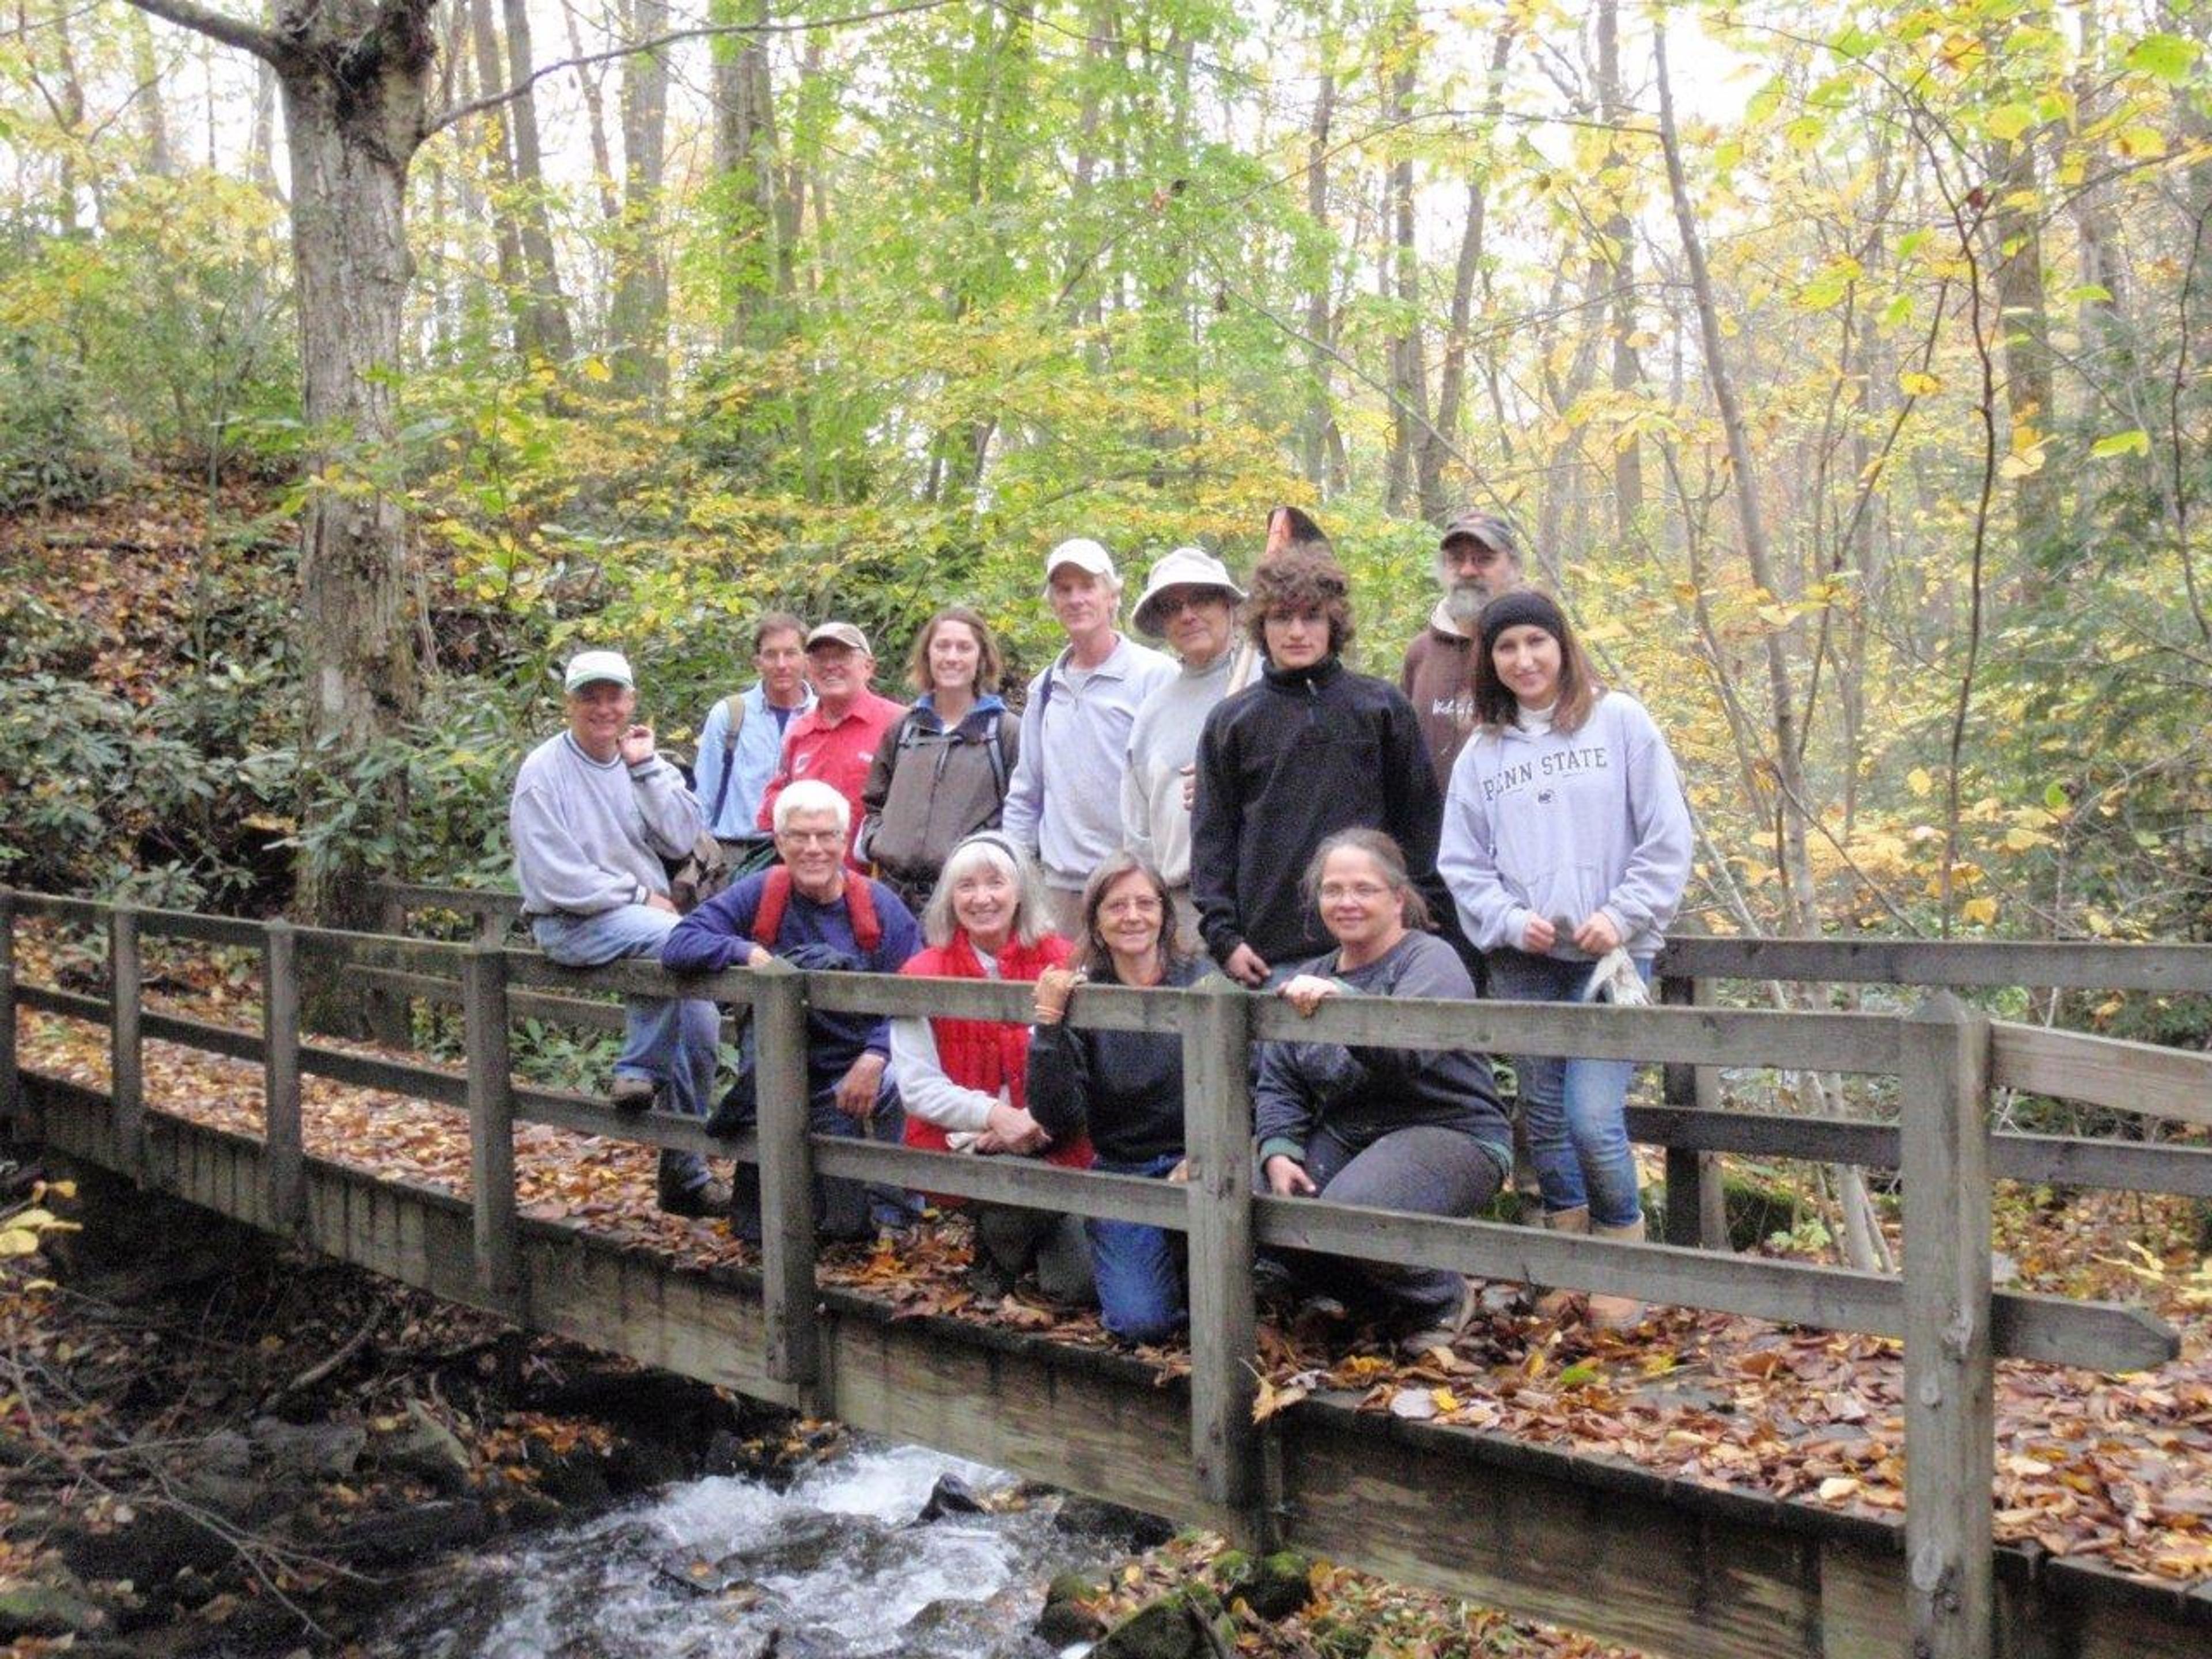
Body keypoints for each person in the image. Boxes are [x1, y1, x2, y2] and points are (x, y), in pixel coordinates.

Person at [1437, 590, 1692, 1329]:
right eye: (1506, 648)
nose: (1523, 660)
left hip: (1611, 958)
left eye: (1535, 643)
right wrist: (1511, 922)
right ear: (1490, 661)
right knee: (1543, 1118)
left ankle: (1620, 1257)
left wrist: (1622, 914)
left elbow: (1667, 836)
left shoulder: (1620, 723)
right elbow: (1461, 864)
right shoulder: (1484, 754)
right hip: (1527, 960)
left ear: (1562, 646)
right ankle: (1564, 1262)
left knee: (1591, 1115)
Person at [1252, 830, 1513, 1351]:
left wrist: (1342, 1002)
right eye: (1333, 890)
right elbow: (1280, 1078)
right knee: (1259, 1202)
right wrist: (1278, 1149)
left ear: (1398, 899)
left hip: (1449, 1130)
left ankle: (1441, 1295)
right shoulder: (1310, 974)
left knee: (1356, 1212)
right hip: (1352, 1135)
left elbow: (1406, 1051)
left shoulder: (1430, 960)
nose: (1346, 902)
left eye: (1364, 889)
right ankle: (1375, 1306)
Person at [510, 649, 726, 1218]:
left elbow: (684, 836)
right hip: (571, 923)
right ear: (570, 704)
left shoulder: (641, 765)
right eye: (590, 697)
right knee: (679, 941)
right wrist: (638, 897)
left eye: (614, 696)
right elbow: (555, 875)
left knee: (702, 1020)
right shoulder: (543, 773)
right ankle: (638, 1070)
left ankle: (684, 1175)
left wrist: (648, 768)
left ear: (631, 702)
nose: (603, 708)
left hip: (643, 924)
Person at [662, 779, 924, 1242]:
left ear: (845, 842)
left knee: (900, 1084)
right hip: (779, 1055)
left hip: (858, 1056)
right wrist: (745, 952)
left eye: (826, 836)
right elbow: (681, 942)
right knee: (771, 1225)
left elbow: (915, 991)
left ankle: (895, 1214)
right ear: (779, 842)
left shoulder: (878, 906)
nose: (813, 849)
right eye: (799, 837)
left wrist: (876, 1055)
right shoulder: (762, 892)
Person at [1190, 547, 1456, 987]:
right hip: (1269, 956)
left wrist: (1418, 911)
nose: (1297, 631)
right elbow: (1212, 839)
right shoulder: (1232, 722)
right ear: (1262, 626)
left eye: (1311, 617)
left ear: (1333, 623)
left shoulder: (1381, 708)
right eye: (1281, 617)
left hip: (1377, 949)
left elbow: (1421, 823)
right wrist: (1224, 937)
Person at [888, 833, 1094, 1304]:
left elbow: (1089, 1065)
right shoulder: (920, 972)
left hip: (1056, 1137)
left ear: (1020, 890)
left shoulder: (1066, 961)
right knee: (1011, 1191)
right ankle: (999, 1257)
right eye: (966, 886)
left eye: (995, 883)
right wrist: (995, 1117)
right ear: (949, 898)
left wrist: (1037, 1123)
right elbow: (917, 1088)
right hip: (964, 1142)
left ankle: (1023, 1249)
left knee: (1075, 1286)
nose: (982, 898)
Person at [1028, 853, 1204, 1345]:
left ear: (1166, 915)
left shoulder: (1203, 981)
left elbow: (1251, 1080)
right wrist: (1049, 1026)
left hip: (1204, 1162)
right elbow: (1055, 1114)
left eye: (1145, 903)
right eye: (1116, 906)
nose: (1132, 916)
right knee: (1140, 1324)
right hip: (1124, 1169)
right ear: (1097, 923)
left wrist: (1211, 1151)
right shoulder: (1083, 994)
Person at [1000, 539, 1175, 937]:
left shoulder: (1155, 677)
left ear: (1113, 596)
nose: (1076, 599)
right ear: (1053, 602)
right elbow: (1026, 791)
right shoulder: (1044, 689)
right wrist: (1016, 872)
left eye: (1088, 586)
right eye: (1064, 589)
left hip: (1135, 886)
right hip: (1060, 891)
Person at [1121, 548, 1255, 940]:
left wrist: (1230, 786)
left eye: (1201, 598)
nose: (1188, 614)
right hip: (1182, 911)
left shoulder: (1273, 684)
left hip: (1262, 901)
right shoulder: (1153, 711)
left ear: (1229, 605)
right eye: (1172, 606)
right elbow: (1138, 833)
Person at [855, 607, 1019, 912]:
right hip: (894, 895)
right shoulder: (904, 729)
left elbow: (1023, 811)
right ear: (927, 655)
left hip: (968, 899)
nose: (952, 657)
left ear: (981, 658)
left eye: (964, 647)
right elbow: (874, 801)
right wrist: (879, 843)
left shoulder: (1004, 732)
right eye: (942, 646)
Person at [756, 622, 908, 865]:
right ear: (808, 668)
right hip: (810, 879)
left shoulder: (901, 725)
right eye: (819, 658)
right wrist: (796, 804)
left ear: (868, 666)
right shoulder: (800, 732)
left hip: (879, 882)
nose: (830, 666)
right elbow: (771, 807)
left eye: (842, 657)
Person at [1403, 512, 1525, 790]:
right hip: (1434, 831)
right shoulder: (1420, 654)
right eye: (1457, 559)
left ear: (1515, 567)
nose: (1468, 571)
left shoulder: (1541, 650)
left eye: (1484, 559)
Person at [694, 611, 815, 843]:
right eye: (771, 655)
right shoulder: (729, 714)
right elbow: (704, 795)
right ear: (757, 662)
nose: (781, 665)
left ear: (806, 660)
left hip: (801, 851)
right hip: (735, 850)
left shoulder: (822, 717)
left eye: (790, 654)